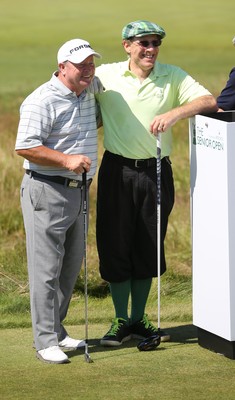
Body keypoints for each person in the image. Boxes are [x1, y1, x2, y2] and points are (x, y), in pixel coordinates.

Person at [95, 20, 218, 347]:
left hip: (156, 172)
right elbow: (74, 86)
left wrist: (175, 114)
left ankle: (140, 318)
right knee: (115, 244)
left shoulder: (173, 75)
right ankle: (121, 319)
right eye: (143, 43)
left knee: (148, 244)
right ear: (127, 46)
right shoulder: (105, 75)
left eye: (155, 43)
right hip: (116, 171)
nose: (150, 49)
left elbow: (208, 101)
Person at [15, 38, 103, 364]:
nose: (88, 70)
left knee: (70, 265)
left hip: (79, 190)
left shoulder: (89, 90)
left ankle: (58, 331)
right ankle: (44, 341)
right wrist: (66, 160)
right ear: (62, 67)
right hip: (46, 190)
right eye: (81, 65)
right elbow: (25, 146)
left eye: (91, 64)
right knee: (46, 269)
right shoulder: (41, 100)